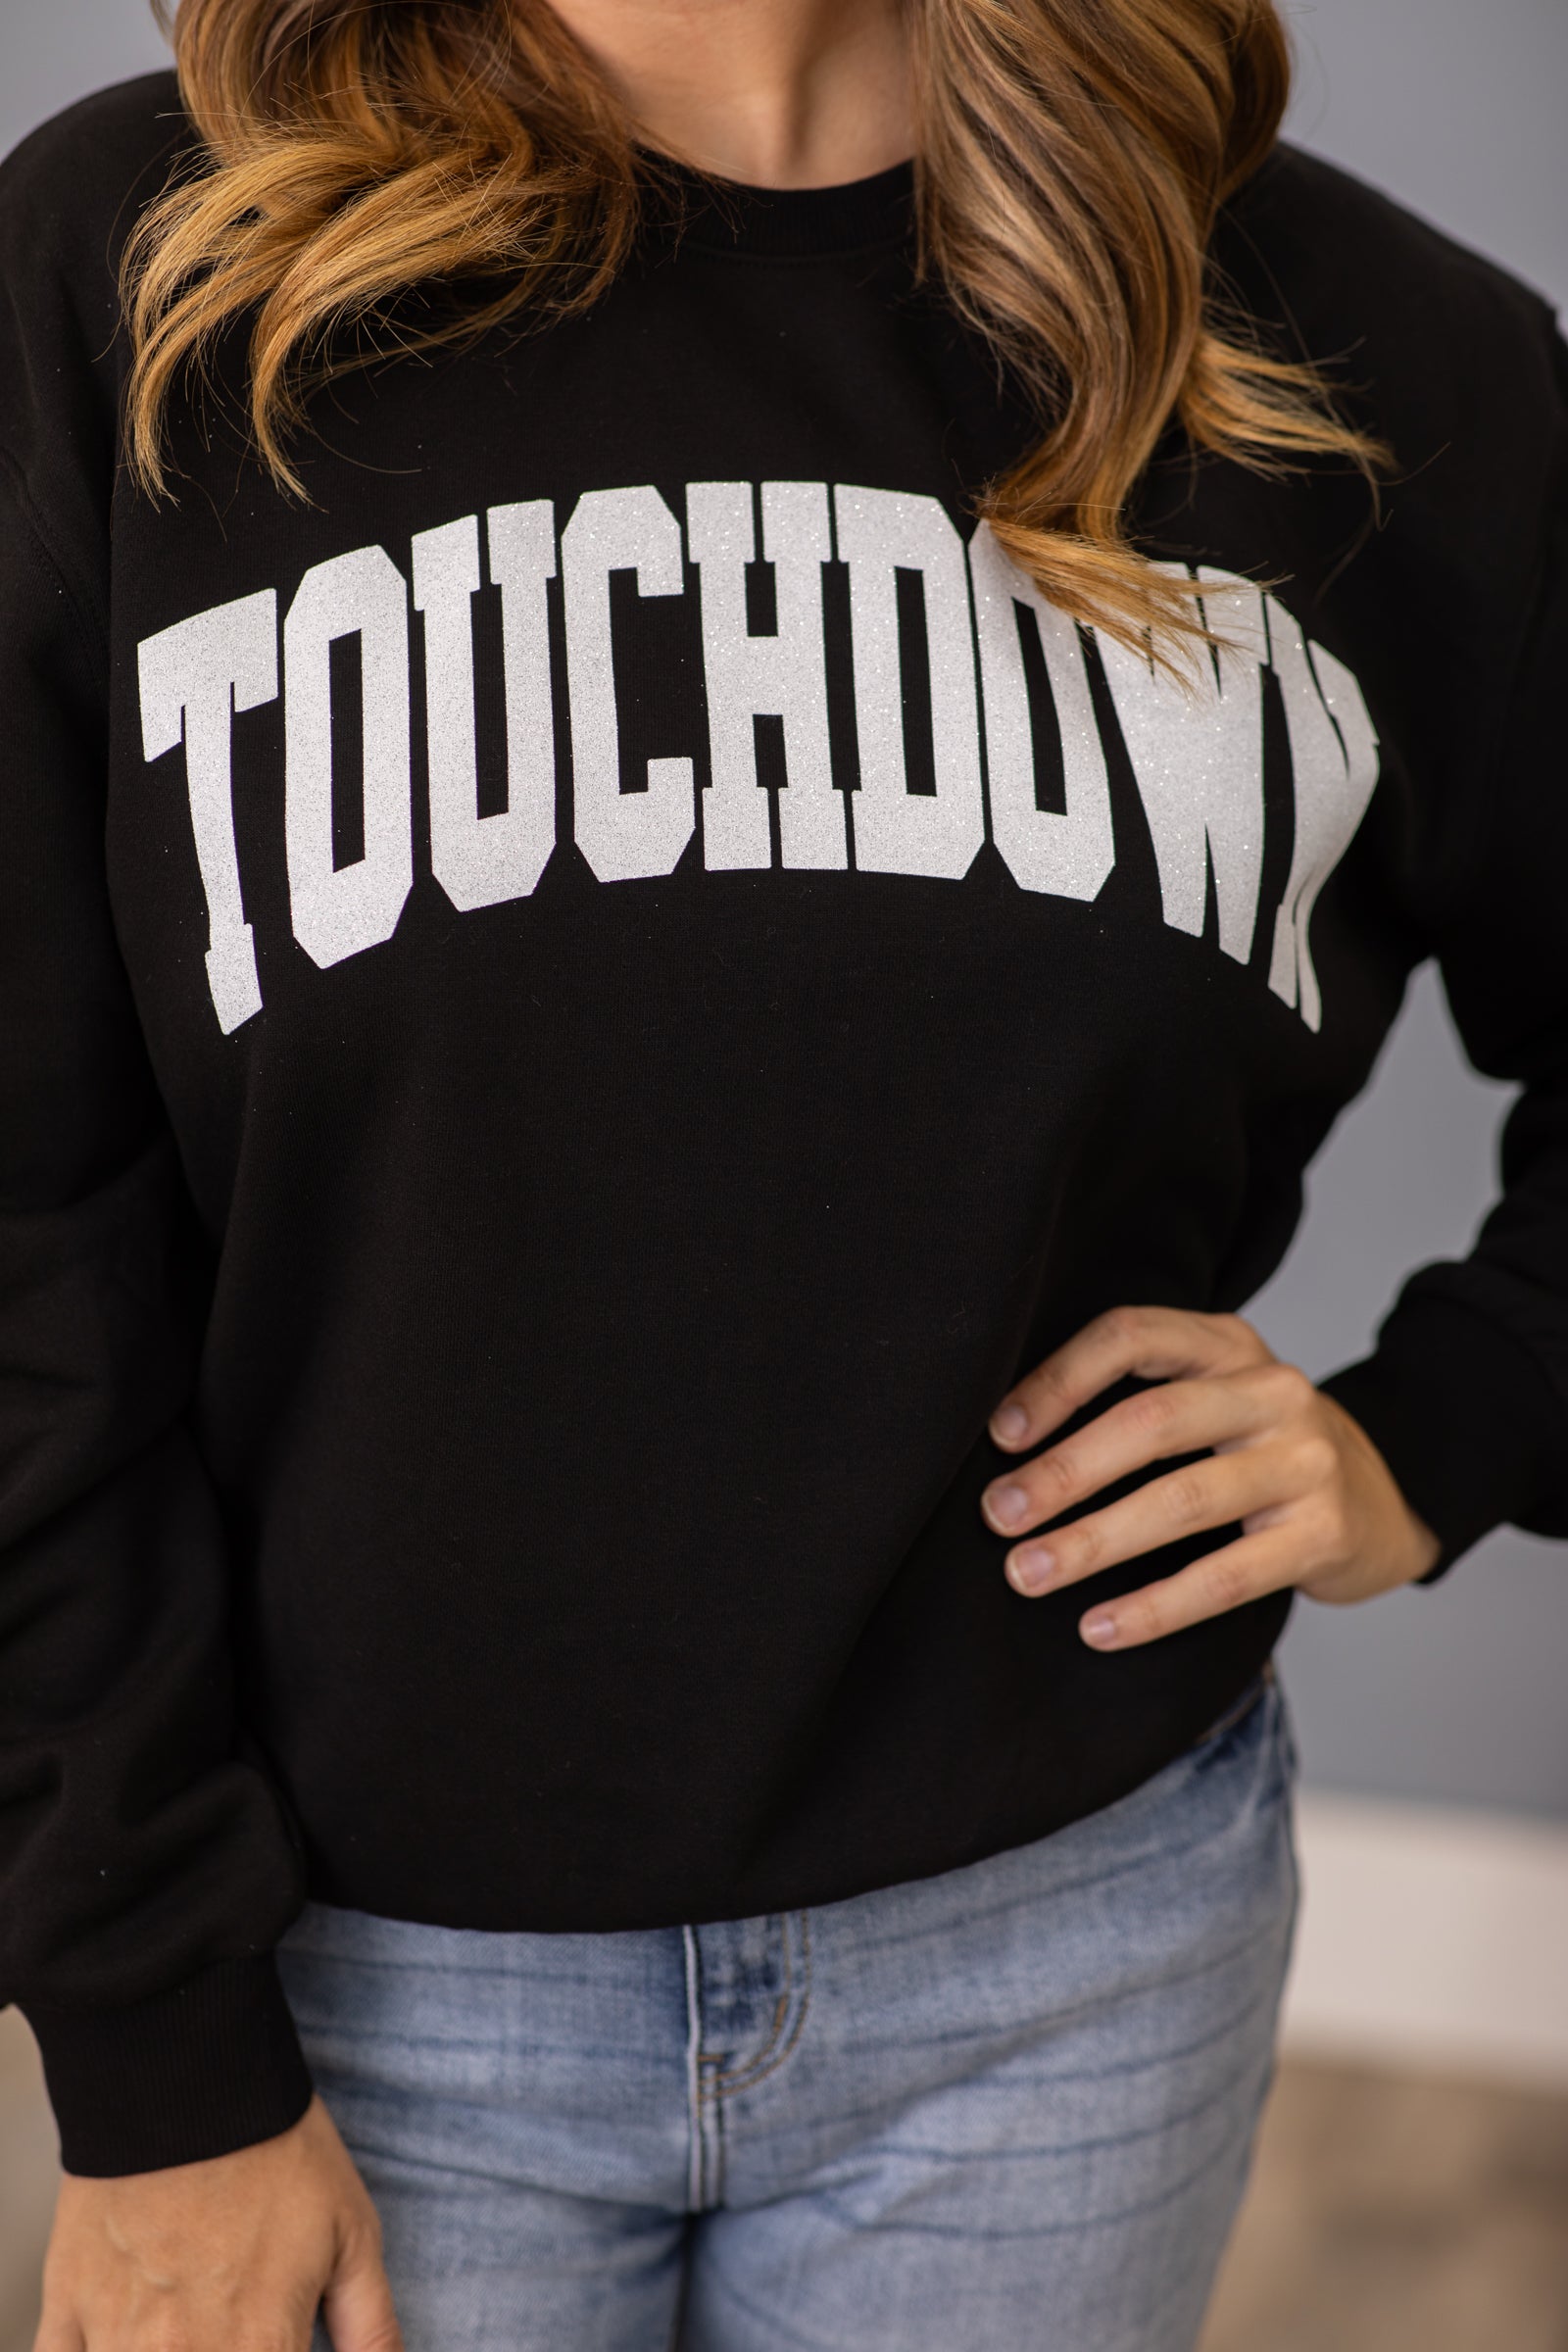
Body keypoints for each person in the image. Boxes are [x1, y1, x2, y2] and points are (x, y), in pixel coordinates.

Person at [3, 0, 1564, 2344]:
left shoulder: (1344, 349)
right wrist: (157, 2057)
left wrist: (1439, 1433)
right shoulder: (142, 281)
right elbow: (23, 1239)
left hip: (1066, 1966)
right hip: (357, 1990)